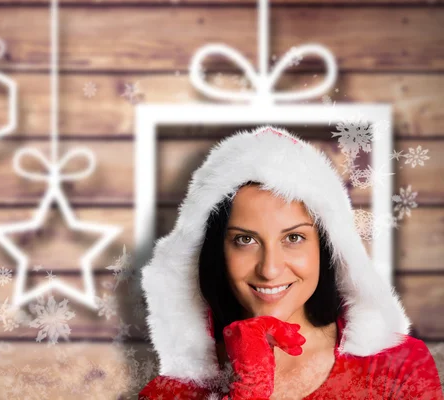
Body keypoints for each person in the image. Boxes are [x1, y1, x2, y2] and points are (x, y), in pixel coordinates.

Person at [138, 126, 443, 399]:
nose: (269, 269)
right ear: (216, 252)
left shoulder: (396, 368)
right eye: (245, 240)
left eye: (294, 238)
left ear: (326, 247)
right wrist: (249, 389)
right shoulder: (171, 394)